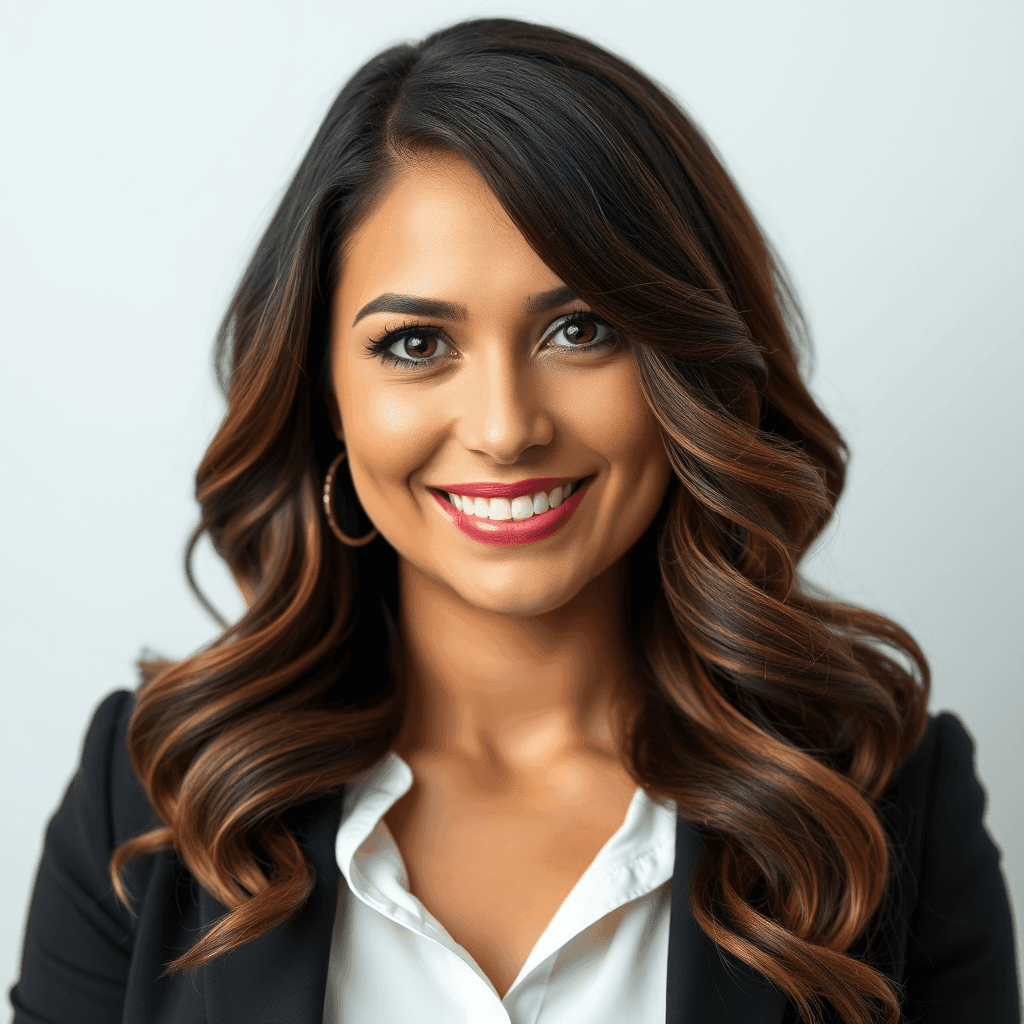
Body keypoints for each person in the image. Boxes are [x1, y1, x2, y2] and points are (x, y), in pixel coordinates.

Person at [9, 17, 1019, 1024]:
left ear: (689, 364)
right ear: (325, 394)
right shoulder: (151, 800)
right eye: (414, 344)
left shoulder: (883, 805)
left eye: (579, 330)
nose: (504, 428)